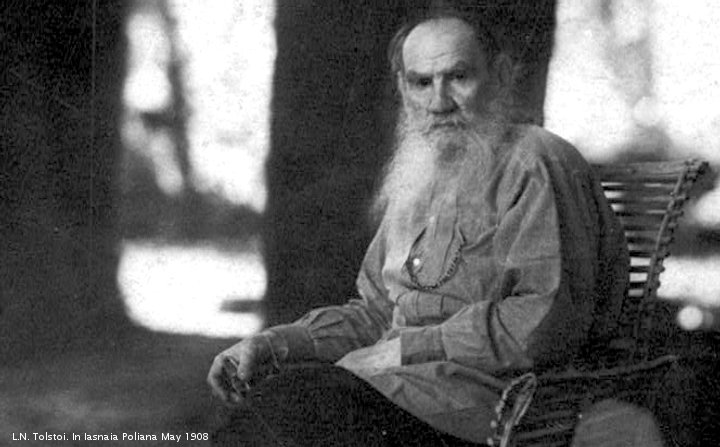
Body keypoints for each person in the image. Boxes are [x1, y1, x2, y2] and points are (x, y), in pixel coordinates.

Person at [207, 8, 628, 446]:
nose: (439, 102)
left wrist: (407, 349)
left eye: (458, 77)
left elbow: (546, 322)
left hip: (487, 411)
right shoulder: (419, 172)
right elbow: (377, 312)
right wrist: (275, 344)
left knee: (290, 411)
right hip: (394, 392)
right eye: (421, 82)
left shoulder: (535, 163)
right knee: (267, 409)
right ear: (403, 88)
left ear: (501, 76)